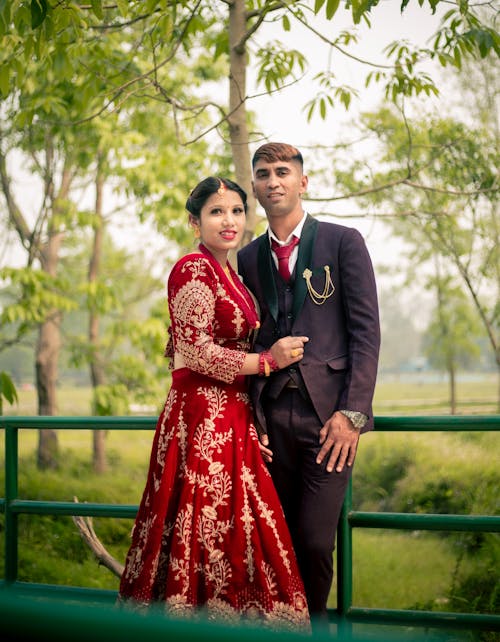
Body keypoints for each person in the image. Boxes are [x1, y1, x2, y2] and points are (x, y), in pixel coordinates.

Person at [118, 176, 310, 630]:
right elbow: (197, 350)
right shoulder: (192, 269)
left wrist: (253, 412)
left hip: (234, 413)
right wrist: (267, 362)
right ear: (195, 220)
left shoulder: (232, 272)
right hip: (198, 419)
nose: (229, 221)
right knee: (199, 520)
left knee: (243, 522)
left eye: (237, 211)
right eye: (216, 212)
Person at [237, 143, 380, 625]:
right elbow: (247, 342)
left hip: (329, 422)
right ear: (254, 186)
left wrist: (353, 414)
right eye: (262, 174)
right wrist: (251, 418)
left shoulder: (344, 242)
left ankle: (313, 631)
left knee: (317, 541)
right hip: (270, 418)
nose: (272, 181)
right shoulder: (248, 258)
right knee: (276, 539)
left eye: (282, 172)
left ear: (303, 181)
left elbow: (366, 334)